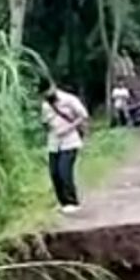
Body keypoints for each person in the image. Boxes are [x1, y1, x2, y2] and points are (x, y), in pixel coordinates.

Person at [40, 82, 87, 213]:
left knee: (64, 171)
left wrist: (69, 128)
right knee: (54, 173)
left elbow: (83, 116)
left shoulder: (69, 100)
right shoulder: (45, 105)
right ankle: (63, 202)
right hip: (54, 142)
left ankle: (72, 201)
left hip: (70, 140)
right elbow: (45, 122)